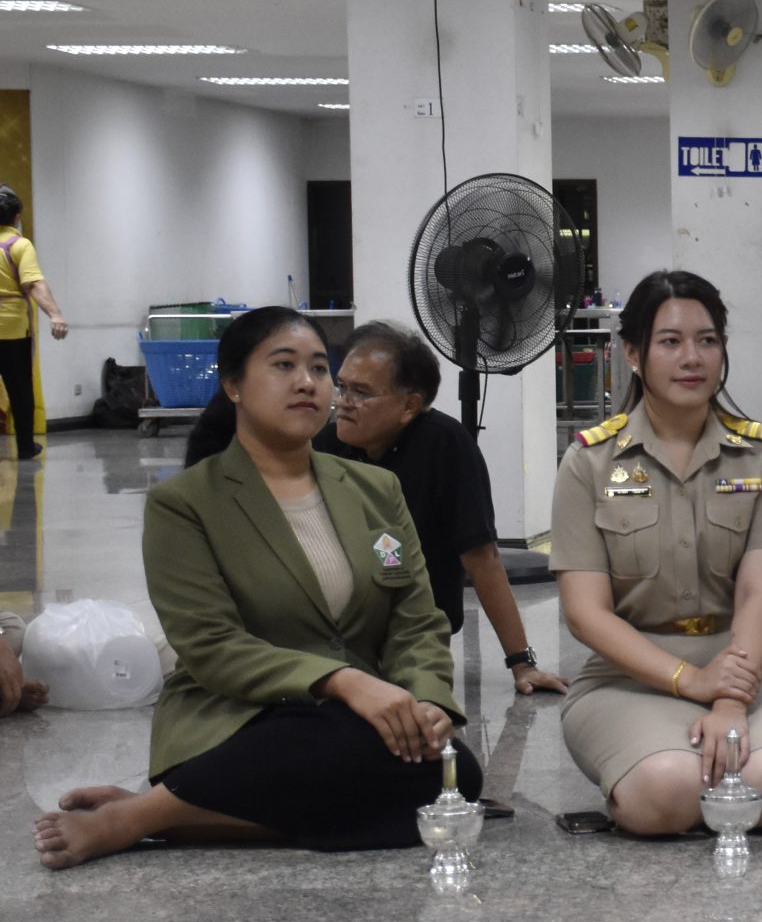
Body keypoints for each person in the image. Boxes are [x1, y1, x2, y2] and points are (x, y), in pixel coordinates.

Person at [34, 307, 472, 869]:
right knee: (327, 739)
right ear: (233, 385)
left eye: (320, 368)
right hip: (239, 721)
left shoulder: (375, 488)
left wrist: (427, 700)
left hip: (354, 722)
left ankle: (173, 814)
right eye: (284, 365)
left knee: (458, 771)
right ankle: (131, 820)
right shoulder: (185, 503)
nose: (307, 382)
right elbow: (212, 645)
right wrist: (343, 682)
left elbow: (416, 619)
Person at [550, 272, 762, 835]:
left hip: (743, 666)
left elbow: (758, 593)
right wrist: (690, 681)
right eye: (670, 341)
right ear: (633, 354)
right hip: (627, 675)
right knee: (666, 791)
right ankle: (658, 775)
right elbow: (585, 613)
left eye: (707, 340)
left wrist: (731, 699)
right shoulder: (589, 463)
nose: (692, 358)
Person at [318, 321, 570, 695]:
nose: (343, 402)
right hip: (335, 633)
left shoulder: (446, 447)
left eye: (361, 393)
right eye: (342, 387)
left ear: (409, 405)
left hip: (414, 633)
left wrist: (522, 663)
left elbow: (482, 558)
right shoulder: (324, 447)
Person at [0, 183, 68, 461]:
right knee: (19, 388)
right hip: (12, 331)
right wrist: (55, 314)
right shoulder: (19, 245)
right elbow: (34, 283)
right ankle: (26, 446)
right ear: (17, 217)